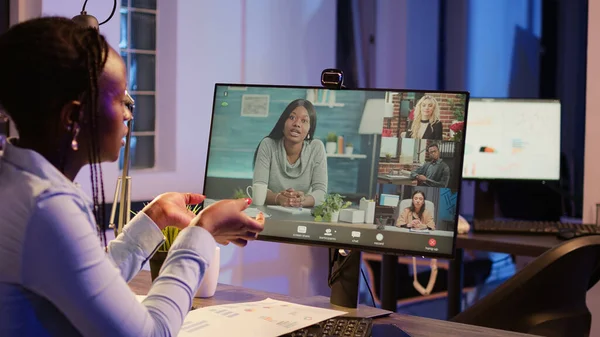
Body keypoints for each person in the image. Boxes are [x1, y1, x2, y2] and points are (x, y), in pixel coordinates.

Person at [0, 17, 263, 337]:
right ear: (73, 116)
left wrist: (155, 216)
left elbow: (89, 284)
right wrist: (203, 231)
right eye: (121, 98)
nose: (129, 112)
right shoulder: (47, 208)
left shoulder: (17, 181)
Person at [252, 99, 327, 207]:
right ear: (283, 124)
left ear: (309, 131)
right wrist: (278, 198)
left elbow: (321, 193)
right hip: (269, 216)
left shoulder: (316, 148)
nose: (297, 124)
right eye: (292, 117)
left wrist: (302, 201)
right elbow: (259, 189)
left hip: (301, 217)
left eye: (304, 121)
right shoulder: (268, 145)